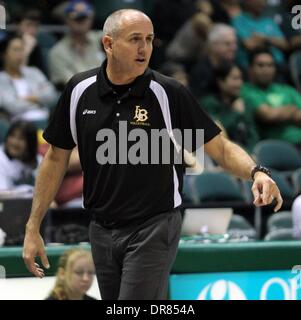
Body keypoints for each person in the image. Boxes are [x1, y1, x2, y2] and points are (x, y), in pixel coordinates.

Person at [23, 9, 282, 300]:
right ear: (108, 44)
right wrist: (33, 226)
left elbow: (220, 147)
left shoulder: (167, 92)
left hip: (153, 225)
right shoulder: (79, 90)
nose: (144, 48)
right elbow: (55, 159)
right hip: (100, 227)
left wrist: (256, 171)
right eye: (135, 39)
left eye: (148, 39)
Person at [241, 49, 301, 149]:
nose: (266, 70)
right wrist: (293, 109)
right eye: (261, 65)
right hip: (276, 147)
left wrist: (280, 114)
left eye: (270, 65)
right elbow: (268, 115)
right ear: (250, 68)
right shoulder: (247, 90)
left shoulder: (286, 89)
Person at [0, 34, 58, 126]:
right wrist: (40, 102)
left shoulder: (34, 72)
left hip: (46, 120)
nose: (20, 54)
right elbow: (13, 107)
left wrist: (30, 98)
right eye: (15, 50)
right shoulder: (1, 79)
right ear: (4, 54)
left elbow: (52, 95)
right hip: (19, 125)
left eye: (21, 49)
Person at [201, 61, 259, 153]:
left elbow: (252, 134)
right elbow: (218, 133)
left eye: (241, 78)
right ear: (220, 81)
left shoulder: (245, 102)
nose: (240, 83)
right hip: (221, 154)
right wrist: (236, 113)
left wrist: (252, 153)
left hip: (246, 153)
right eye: (235, 79)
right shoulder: (209, 104)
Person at [48, 0, 105, 90]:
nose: (81, 21)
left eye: (84, 17)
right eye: (77, 18)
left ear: (91, 19)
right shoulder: (57, 52)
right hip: (79, 97)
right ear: (67, 20)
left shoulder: (102, 39)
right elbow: (72, 83)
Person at [0, 120, 41, 191]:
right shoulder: (1, 159)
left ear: (30, 142)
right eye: (12, 136)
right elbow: (2, 194)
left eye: (21, 138)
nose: (14, 142)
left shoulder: (39, 160)